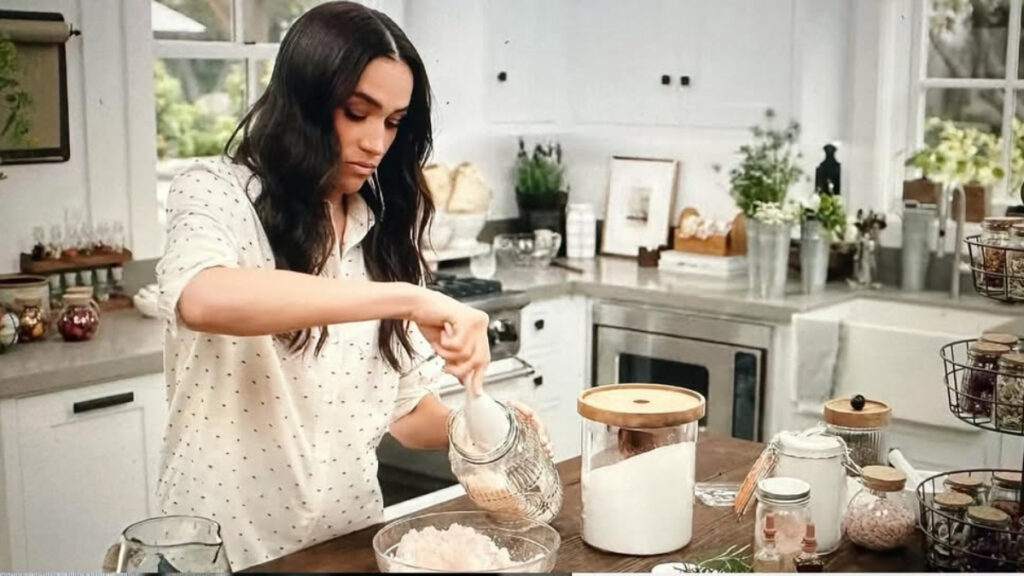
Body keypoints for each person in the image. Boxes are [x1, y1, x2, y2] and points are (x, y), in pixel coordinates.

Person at [155, 2, 546, 568]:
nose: (376, 142)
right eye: (356, 113)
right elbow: (202, 298)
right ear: (304, 104)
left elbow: (407, 415)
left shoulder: (380, 230)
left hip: (346, 547)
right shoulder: (217, 193)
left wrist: (479, 429)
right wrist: (412, 299)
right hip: (220, 553)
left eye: (392, 122)